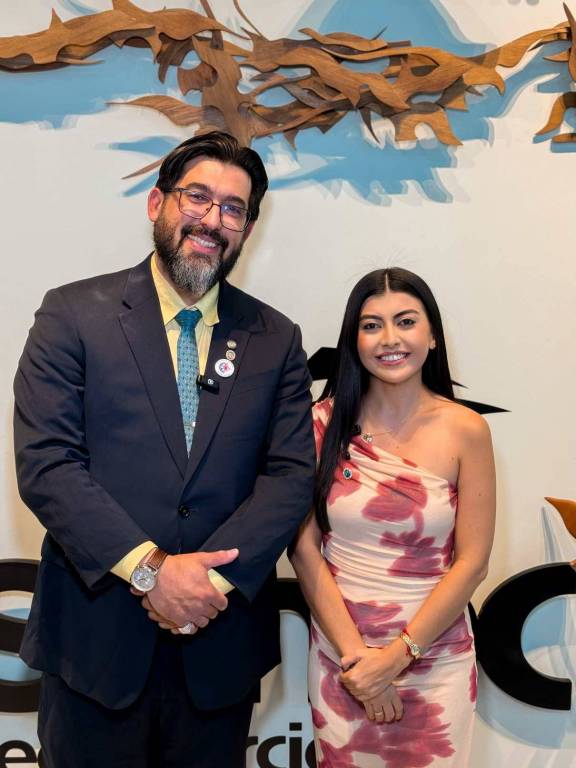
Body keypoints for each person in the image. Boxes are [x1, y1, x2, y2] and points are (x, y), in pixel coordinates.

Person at [13, 131, 315, 768]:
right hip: (95, 647)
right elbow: (48, 464)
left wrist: (204, 583)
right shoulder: (72, 315)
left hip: (218, 644)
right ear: (158, 203)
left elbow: (289, 476)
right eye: (197, 197)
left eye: (233, 208)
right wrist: (152, 571)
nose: (212, 219)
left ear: (247, 228)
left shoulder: (275, 338)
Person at [290, 268, 495, 767]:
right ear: (353, 340)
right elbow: (303, 550)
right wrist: (361, 664)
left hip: (435, 660)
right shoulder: (319, 425)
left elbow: (472, 563)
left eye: (406, 321)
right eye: (371, 325)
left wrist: (396, 658)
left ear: (432, 335)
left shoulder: (466, 430)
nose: (389, 339)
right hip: (344, 659)